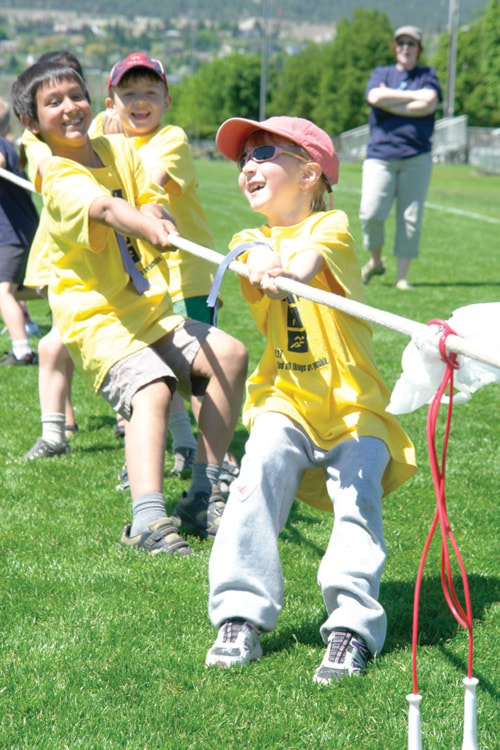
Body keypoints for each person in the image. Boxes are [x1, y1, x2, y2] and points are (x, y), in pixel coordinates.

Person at [204, 115, 417, 683]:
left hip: (355, 406)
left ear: (309, 173)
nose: (247, 165)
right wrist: (262, 264)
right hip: (288, 399)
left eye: (263, 152)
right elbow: (252, 255)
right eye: (243, 159)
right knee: (255, 478)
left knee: (357, 505)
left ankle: (351, 627)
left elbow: (311, 258)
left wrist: (288, 269)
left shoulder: (335, 226)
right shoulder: (246, 241)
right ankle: (239, 615)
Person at [12, 59, 248, 552]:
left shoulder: (119, 148)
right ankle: (147, 520)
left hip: (148, 309)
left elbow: (149, 197)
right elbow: (105, 208)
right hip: (100, 320)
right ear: (32, 123)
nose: (69, 107)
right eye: (53, 103)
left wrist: (158, 216)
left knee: (228, 354)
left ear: (92, 100)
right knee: (154, 388)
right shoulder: (56, 174)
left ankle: (203, 493)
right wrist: (143, 225)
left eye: (75, 95)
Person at [103, 52, 239, 490]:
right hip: (141, 281)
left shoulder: (171, 138)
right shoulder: (105, 143)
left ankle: (219, 459)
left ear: (167, 99)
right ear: (112, 102)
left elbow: (152, 189)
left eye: (150, 93)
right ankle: (165, 451)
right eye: (129, 93)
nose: (139, 101)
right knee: (151, 370)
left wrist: (145, 206)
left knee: (203, 377)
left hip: (187, 276)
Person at [359, 25, 442, 291]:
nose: (406, 48)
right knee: (370, 212)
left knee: (410, 217)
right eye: (401, 43)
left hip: (416, 156)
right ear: (395, 47)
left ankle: (402, 278)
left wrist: (389, 100)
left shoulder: (427, 75)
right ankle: (375, 261)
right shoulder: (380, 73)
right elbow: (374, 95)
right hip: (380, 155)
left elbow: (429, 102)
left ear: (420, 49)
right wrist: (411, 100)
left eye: (412, 44)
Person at [0, 96, 39, 366]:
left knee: (3, 292)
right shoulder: (10, 144)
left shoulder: (2, 146)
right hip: (23, 230)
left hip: (12, 235)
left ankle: (22, 350)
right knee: (19, 289)